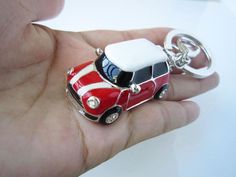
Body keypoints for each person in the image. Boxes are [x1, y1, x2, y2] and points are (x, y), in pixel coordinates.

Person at [0, 0, 219, 176]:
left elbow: (124, 86)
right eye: (104, 60)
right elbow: (95, 68)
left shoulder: (135, 83)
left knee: (109, 105)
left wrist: (127, 87)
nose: (105, 65)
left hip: (135, 83)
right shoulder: (101, 65)